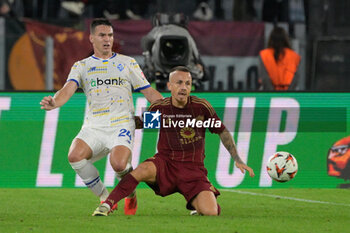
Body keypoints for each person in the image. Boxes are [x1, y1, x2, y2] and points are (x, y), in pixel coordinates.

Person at [92, 66, 255, 216]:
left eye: (188, 83)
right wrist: (114, 121)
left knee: (211, 213)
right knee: (142, 169)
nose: (184, 87)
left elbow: (222, 131)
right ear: (170, 86)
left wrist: (237, 159)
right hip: (165, 164)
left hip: (193, 170)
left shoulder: (201, 107)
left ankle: (200, 202)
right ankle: (107, 205)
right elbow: (140, 123)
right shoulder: (161, 108)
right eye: (179, 83)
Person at [39, 18, 163, 215]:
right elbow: (67, 90)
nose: (107, 39)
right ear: (91, 38)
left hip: (121, 123)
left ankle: (129, 194)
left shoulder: (127, 63)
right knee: (74, 156)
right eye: (102, 35)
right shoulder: (82, 66)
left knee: (119, 164)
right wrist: (54, 103)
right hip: (94, 126)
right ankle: (106, 197)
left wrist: (167, 107)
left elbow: (148, 92)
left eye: (110, 35)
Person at [259, 26, 301, 91]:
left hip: (270, 94)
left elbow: (265, 78)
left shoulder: (264, 55)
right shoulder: (294, 56)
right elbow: (295, 78)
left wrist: (273, 92)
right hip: (289, 94)